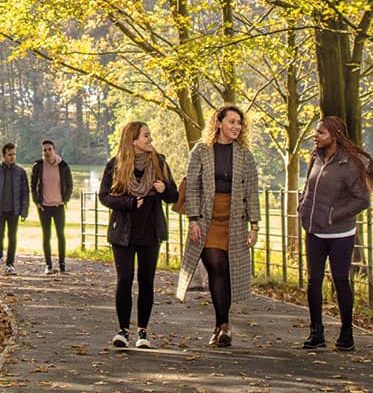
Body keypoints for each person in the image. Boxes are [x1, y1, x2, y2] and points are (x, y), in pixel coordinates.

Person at [179, 105, 260, 349]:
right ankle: (224, 325)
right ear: (219, 123)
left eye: (239, 123)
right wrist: (193, 218)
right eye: (232, 122)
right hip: (206, 220)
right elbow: (192, 185)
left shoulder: (245, 155)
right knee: (216, 265)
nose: (236, 127)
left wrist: (254, 225)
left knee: (226, 272)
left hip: (234, 221)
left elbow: (252, 192)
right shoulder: (201, 151)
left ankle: (220, 325)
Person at [298, 116, 373, 352]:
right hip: (314, 231)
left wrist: (333, 215)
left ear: (335, 134)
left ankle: (346, 333)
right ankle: (316, 333)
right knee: (313, 281)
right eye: (316, 132)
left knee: (341, 281)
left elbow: (362, 200)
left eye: (320, 133)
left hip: (340, 234)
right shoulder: (315, 157)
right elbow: (309, 186)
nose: (315, 136)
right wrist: (302, 204)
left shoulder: (350, 164)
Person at [99, 121, 178, 349]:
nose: (150, 139)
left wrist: (164, 189)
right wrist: (129, 202)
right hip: (123, 231)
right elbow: (104, 196)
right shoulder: (115, 165)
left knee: (146, 281)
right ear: (133, 140)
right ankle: (123, 330)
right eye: (146, 136)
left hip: (150, 230)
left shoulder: (159, 162)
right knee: (124, 280)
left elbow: (173, 195)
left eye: (150, 135)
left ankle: (143, 332)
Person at [0, 143, 30, 274]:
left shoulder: (20, 172)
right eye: (10, 154)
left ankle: (10, 263)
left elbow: (25, 192)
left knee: (12, 236)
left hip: (14, 210)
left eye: (14, 154)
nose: (12, 157)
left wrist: (24, 211)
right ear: (3, 155)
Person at [31, 140, 74, 274]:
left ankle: (62, 264)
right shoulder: (38, 166)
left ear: (54, 150)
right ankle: (48, 265)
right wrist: (37, 201)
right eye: (44, 150)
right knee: (46, 235)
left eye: (49, 149)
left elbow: (70, 185)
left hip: (58, 206)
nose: (47, 152)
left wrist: (64, 200)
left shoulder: (63, 166)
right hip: (44, 207)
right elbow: (33, 185)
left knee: (60, 235)